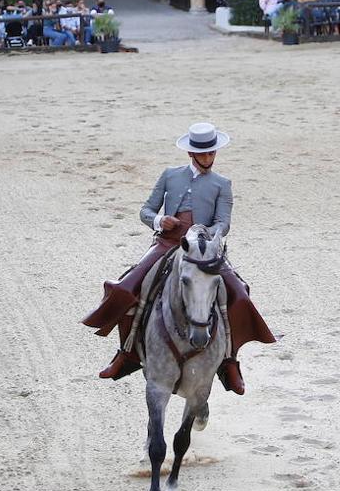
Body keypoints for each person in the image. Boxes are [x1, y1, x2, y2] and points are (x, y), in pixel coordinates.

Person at [83, 123, 275, 396]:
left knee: (239, 295)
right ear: (191, 154)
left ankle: (229, 360)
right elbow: (146, 211)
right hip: (167, 243)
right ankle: (126, 353)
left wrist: (206, 236)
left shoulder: (222, 184)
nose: (208, 158)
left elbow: (224, 223)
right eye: (203, 154)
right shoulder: (170, 176)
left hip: (205, 250)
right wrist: (161, 220)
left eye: (211, 153)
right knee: (127, 288)